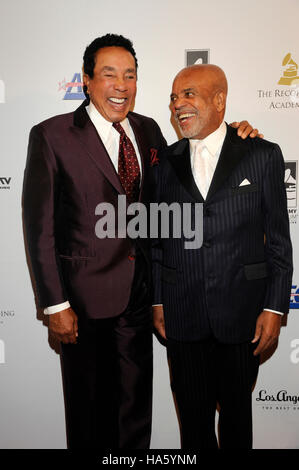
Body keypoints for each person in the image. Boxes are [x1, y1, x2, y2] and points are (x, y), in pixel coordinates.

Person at [22, 32, 260, 450]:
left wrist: (237, 137)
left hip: (140, 299)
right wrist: (55, 305)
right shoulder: (52, 136)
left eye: (130, 75)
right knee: (89, 415)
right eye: (109, 74)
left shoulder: (149, 131)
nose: (121, 85)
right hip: (82, 304)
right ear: (87, 80)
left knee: (135, 414)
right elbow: (39, 227)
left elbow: (188, 172)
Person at [152, 64, 293, 449]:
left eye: (189, 94)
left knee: (236, 427)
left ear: (219, 100)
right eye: (174, 97)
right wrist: (159, 299)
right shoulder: (164, 163)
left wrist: (275, 308)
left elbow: (279, 241)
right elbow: (157, 241)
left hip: (242, 316)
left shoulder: (261, 154)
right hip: (183, 316)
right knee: (193, 430)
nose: (178, 104)